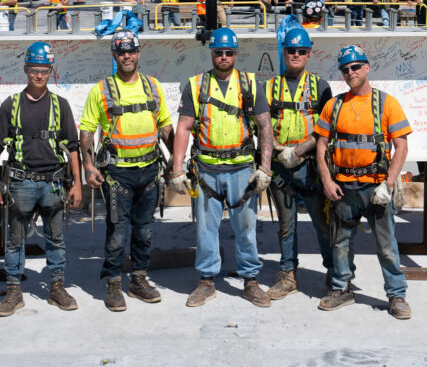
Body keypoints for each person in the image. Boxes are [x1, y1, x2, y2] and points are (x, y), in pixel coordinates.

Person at [168, 27, 275, 308]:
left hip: (242, 169)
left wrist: (265, 168)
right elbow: (183, 128)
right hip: (207, 170)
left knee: (247, 227)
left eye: (229, 52)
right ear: (212, 54)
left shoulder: (250, 84)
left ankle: (251, 281)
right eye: (219, 52)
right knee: (205, 230)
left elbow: (265, 126)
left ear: (235, 54)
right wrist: (177, 170)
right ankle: (206, 281)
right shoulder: (195, 85)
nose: (224, 57)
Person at [0, 42, 83, 317]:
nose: (39, 75)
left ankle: (56, 288)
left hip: (53, 184)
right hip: (21, 184)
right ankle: (14, 291)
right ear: (26, 69)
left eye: (44, 70)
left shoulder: (60, 105)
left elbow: (73, 147)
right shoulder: (11, 106)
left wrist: (77, 183)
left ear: (51, 71)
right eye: (34, 70)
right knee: (15, 240)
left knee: (56, 239)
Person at [315, 44, 412, 320]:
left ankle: (397, 295)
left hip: (376, 187)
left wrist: (389, 184)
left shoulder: (386, 103)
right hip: (343, 188)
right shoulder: (334, 106)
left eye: (355, 67)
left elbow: (401, 147)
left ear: (366, 68)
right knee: (341, 242)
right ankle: (341, 288)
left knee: (386, 245)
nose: (350, 73)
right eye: (345, 70)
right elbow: (321, 146)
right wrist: (326, 180)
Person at [79, 31, 172, 311]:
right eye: (121, 52)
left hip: (149, 171)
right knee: (117, 233)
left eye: (131, 51)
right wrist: (87, 165)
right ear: (114, 55)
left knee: (144, 231)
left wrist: (178, 162)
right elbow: (87, 130)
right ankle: (114, 284)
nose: (127, 56)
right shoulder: (101, 90)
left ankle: (139, 280)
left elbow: (165, 125)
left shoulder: (153, 86)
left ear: (139, 53)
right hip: (117, 174)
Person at [264, 27, 334, 300]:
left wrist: (302, 150)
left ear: (308, 54)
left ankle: (334, 271)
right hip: (282, 169)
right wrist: (272, 159)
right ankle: (288, 275)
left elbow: (326, 130)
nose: (296, 55)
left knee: (322, 223)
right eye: (291, 50)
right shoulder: (270, 87)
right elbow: (264, 125)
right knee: (286, 225)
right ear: (284, 52)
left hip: (311, 169)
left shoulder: (320, 87)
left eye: (301, 51)